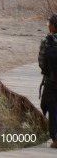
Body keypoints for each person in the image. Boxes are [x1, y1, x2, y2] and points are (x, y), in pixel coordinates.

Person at [40, 15, 57, 147]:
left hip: (52, 81)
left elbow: (41, 62)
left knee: (52, 107)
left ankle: (55, 137)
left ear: (53, 25)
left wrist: (48, 73)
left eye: (49, 24)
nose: (48, 26)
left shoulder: (47, 41)